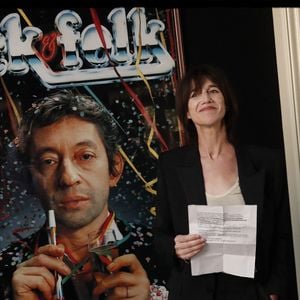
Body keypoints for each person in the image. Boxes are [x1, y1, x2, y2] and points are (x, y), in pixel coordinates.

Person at [0, 89, 168, 300]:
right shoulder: (6, 269)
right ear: (30, 178)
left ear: (114, 169)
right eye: (48, 161)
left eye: (85, 156)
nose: (68, 178)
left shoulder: (166, 255)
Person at [153, 64, 296, 299]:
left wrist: (274, 290)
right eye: (195, 94)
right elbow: (159, 235)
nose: (205, 98)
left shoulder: (266, 162)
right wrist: (175, 248)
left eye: (213, 91)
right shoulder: (171, 165)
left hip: (251, 292)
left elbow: (283, 234)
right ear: (186, 112)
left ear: (225, 102)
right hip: (193, 292)